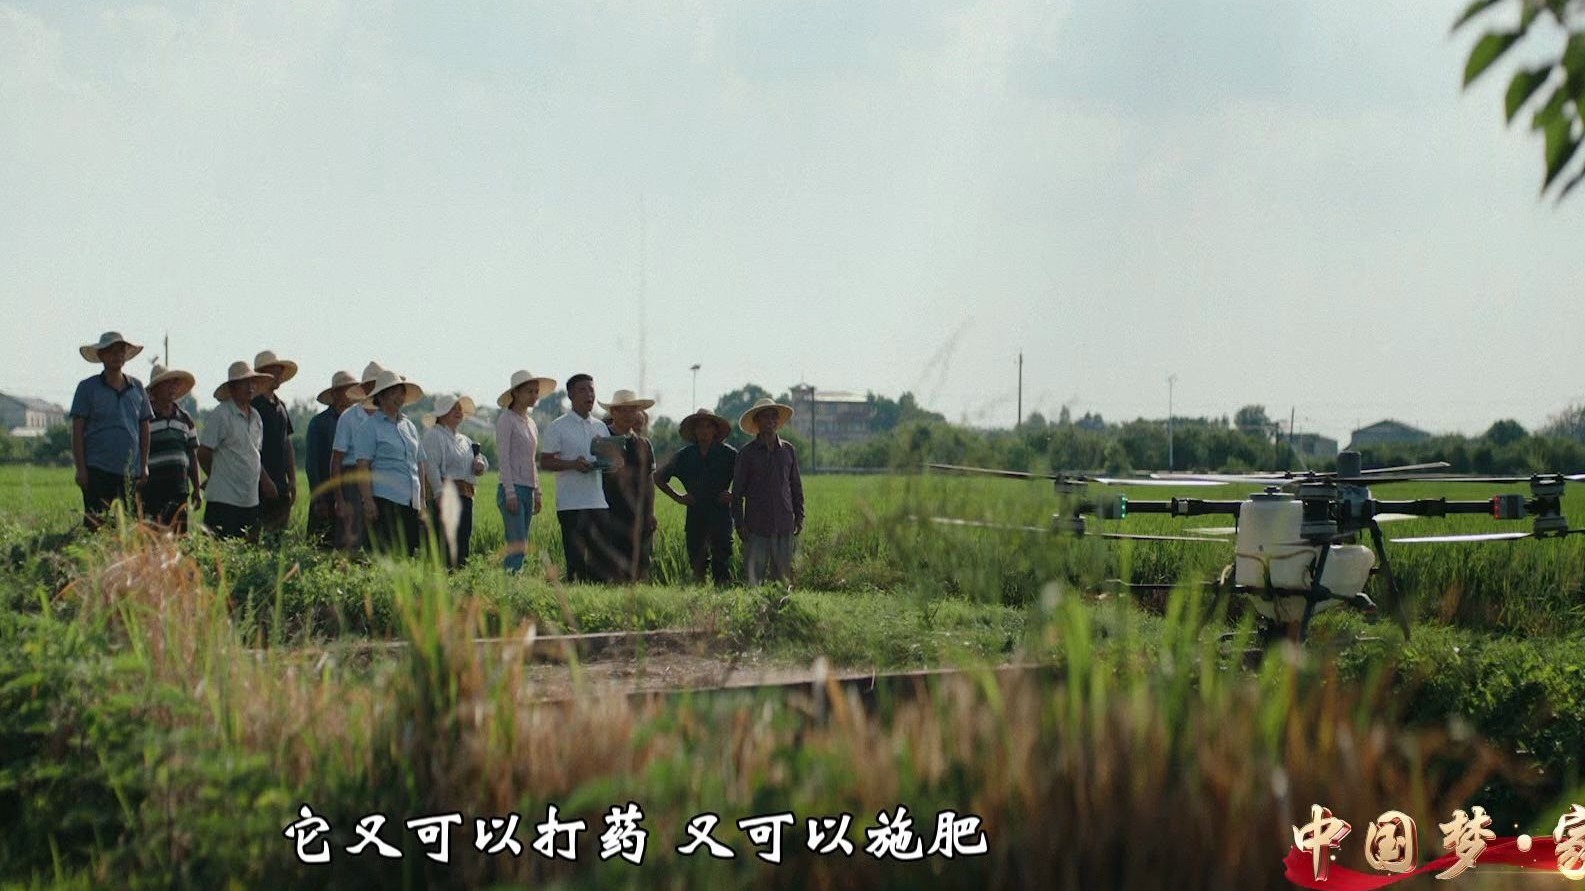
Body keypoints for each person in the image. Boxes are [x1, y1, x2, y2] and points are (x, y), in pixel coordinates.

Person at [69, 331, 153, 529]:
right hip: (97, 469)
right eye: (111, 351)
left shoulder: (137, 387)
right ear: (101, 355)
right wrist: (81, 469)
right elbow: (77, 430)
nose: (117, 355)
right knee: (96, 524)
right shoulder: (87, 388)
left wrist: (144, 465)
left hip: (130, 471)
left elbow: (144, 427)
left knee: (129, 527)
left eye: (121, 351)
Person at [538, 373, 610, 583]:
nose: (589, 395)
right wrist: (573, 465)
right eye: (582, 390)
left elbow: (607, 461)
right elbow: (545, 462)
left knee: (599, 561)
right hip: (571, 504)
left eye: (591, 390)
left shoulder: (601, 427)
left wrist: (614, 463)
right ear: (570, 395)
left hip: (598, 502)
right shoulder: (557, 427)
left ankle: (597, 598)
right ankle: (574, 598)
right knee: (576, 561)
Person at [655, 409, 738, 585]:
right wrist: (678, 497)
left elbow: (749, 478)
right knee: (697, 564)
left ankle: (723, 595)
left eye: (708, 426)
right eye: (700, 427)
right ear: (694, 431)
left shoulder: (729, 454)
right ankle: (698, 596)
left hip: (720, 513)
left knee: (722, 562)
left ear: (715, 430)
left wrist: (734, 494)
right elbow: (658, 478)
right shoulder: (684, 456)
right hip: (695, 513)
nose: (704, 430)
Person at [353, 370, 429, 557]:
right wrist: (368, 501)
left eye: (402, 393)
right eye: (393, 392)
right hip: (385, 499)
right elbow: (363, 466)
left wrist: (422, 500)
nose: (399, 397)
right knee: (385, 555)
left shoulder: (409, 426)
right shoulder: (370, 427)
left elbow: (419, 463)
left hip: (410, 501)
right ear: (380, 396)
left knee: (407, 554)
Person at [197, 361, 276, 540]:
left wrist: (265, 480)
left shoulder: (256, 417)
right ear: (232, 387)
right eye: (244, 383)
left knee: (247, 550)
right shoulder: (222, 414)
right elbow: (203, 452)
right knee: (220, 550)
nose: (250, 387)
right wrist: (216, 475)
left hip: (250, 499)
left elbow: (254, 455)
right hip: (224, 500)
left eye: (252, 382)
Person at [731, 397, 805, 586]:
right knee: (754, 580)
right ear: (756, 421)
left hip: (784, 522)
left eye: (774, 417)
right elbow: (737, 492)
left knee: (782, 580)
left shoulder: (788, 450)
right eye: (765, 417)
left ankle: (781, 605)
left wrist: (799, 516)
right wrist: (739, 524)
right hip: (756, 526)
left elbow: (795, 486)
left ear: (778, 421)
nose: (770, 421)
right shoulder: (746, 454)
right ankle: (755, 606)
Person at [495, 370, 553, 573]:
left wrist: (537, 492)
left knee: (523, 543)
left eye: (536, 391)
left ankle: (514, 579)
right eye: (529, 391)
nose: (534, 395)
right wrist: (510, 492)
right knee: (516, 543)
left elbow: (531, 461)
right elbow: (504, 458)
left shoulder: (531, 423)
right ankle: (509, 582)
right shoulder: (506, 420)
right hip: (512, 488)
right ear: (516, 393)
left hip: (528, 488)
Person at [596, 389, 657, 582]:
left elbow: (648, 481)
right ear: (613, 412)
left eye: (632, 410)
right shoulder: (603, 438)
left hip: (637, 511)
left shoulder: (644, 445)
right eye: (623, 410)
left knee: (639, 562)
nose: (628, 415)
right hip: (609, 509)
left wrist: (650, 512)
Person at [421, 394, 488, 568]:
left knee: (462, 539)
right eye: (453, 408)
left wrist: (480, 464)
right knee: (444, 541)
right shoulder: (434, 435)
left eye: (460, 409)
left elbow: (478, 460)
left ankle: (459, 575)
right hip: (445, 495)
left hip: (465, 496)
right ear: (442, 413)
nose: (458, 412)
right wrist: (438, 493)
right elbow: (431, 466)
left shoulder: (465, 440)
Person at [330, 361, 385, 551]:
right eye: (372, 385)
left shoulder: (387, 418)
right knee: (352, 538)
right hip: (352, 481)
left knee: (377, 538)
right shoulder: (349, 417)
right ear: (365, 388)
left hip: (380, 479)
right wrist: (339, 499)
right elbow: (336, 461)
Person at [306, 370, 364, 548]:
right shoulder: (319, 423)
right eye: (346, 390)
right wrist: (319, 498)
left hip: (348, 494)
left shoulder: (358, 421)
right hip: (326, 493)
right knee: (322, 544)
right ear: (334, 394)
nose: (350, 396)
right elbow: (312, 464)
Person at [142, 364, 202, 531]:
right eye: (167, 384)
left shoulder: (185, 419)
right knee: (153, 536)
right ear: (155, 389)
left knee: (178, 536)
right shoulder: (145, 418)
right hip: (152, 489)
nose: (172, 388)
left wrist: (197, 489)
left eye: (174, 384)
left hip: (179, 488)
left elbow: (192, 455)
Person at [251, 350, 299, 534]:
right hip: (258, 487)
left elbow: (287, 444)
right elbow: (250, 448)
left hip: (280, 485)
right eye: (274, 371)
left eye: (280, 371)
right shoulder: (253, 406)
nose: (279, 375)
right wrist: (264, 479)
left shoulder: (281, 407)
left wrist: (292, 479)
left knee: (278, 539)